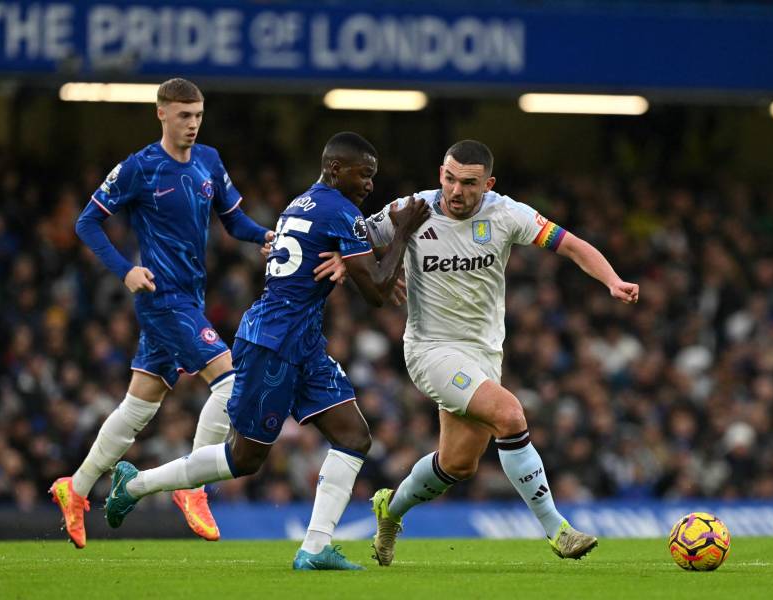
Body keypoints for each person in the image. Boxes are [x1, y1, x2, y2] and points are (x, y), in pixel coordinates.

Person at [103, 132, 430, 570]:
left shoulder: (303, 203)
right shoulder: (341, 211)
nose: (370, 183)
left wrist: (362, 264)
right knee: (244, 457)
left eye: (373, 175)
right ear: (335, 169)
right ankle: (135, 484)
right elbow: (375, 292)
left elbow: (350, 268)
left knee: (354, 438)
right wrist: (403, 231)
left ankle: (313, 549)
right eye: (363, 173)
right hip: (273, 343)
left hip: (302, 342)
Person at [365, 140, 640, 565]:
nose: (456, 191)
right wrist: (366, 271)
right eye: (450, 179)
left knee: (457, 465)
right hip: (431, 350)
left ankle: (390, 511)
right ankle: (557, 530)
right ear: (441, 173)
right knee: (510, 415)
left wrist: (612, 280)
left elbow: (570, 244)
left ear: (488, 184)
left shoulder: (506, 213)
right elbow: (353, 235)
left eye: (469, 183)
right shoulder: (412, 209)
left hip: (484, 354)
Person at [49, 78, 276, 548]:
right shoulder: (140, 168)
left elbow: (233, 220)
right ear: (162, 114)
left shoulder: (209, 160)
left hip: (189, 296)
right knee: (230, 380)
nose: (192, 125)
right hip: (161, 296)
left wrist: (264, 237)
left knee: (139, 405)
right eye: (183, 116)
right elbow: (86, 222)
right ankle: (192, 487)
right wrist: (124, 270)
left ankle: (76, 487)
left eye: (197, 116)